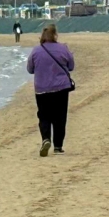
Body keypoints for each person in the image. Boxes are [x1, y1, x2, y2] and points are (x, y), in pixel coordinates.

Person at [26, 24, 74, 156]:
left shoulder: (36, 51)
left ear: (42, 36)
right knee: (60, 117)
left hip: (42, 89)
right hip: (61, 88)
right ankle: (58, 146)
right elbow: (71, 66)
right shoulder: (63, 49)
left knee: (44, 116)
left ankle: (46, 139)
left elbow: (30, 69)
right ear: (55, 35)